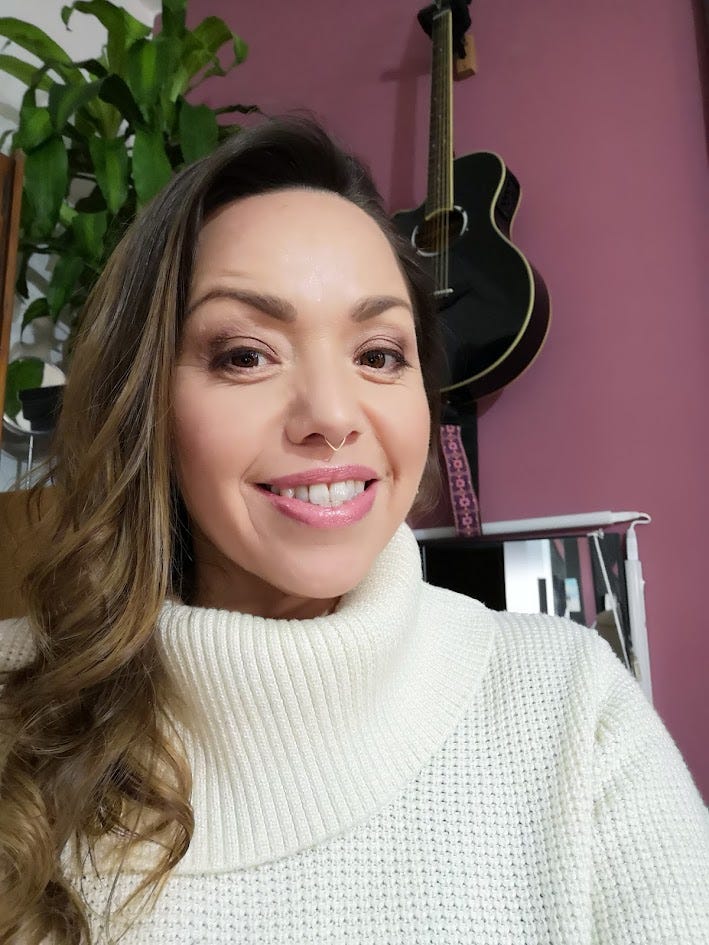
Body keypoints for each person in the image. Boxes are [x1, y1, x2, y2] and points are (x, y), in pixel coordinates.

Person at [0, 117, 707, 945]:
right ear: (144, 401)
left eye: (377, 354)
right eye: (245, 354)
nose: (333, 415)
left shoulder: (570, 707)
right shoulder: (16, 698)